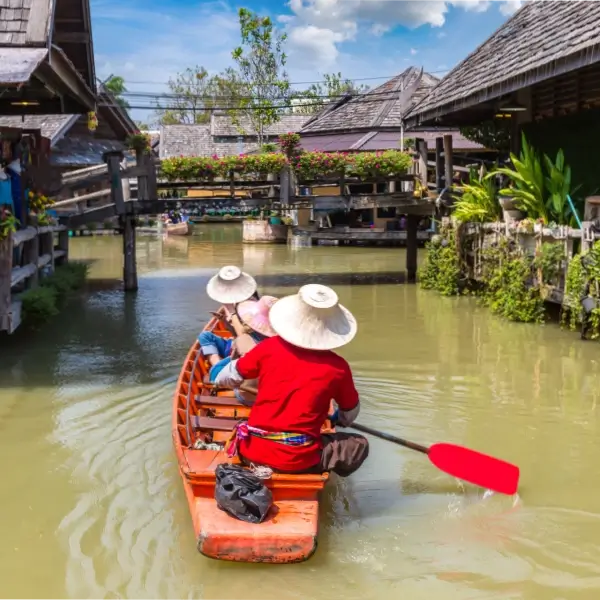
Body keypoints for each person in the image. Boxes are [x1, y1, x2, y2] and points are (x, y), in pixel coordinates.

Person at [215, 283, 369, 477]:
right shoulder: (338, 367)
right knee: (359, 444)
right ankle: (319, 472)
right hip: (298, 461)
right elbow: (349, 414)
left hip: (251, 453)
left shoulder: (269, 347)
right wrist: (338, 418)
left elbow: (223, 379)